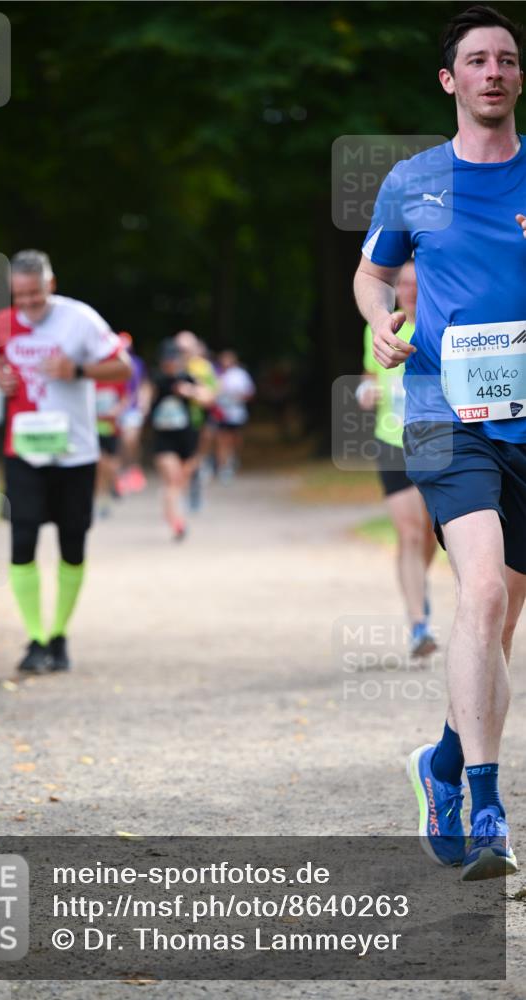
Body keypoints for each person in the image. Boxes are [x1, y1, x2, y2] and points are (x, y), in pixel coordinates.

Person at [354, 4, 525, 880]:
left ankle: (443, 763)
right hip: (437, 412)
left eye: (505, 59)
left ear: (517, 78)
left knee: (493, 628)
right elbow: (372, 269)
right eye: (475, 61)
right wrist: (380, 320)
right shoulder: (412, 181)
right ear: (449, 81)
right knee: (483, 592)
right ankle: (489, 807)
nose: (492, 72)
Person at [0, 249, 131, 673]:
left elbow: (122, 369)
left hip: (76, 452)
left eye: (35, 294)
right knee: (22, 539)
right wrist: (0, 379)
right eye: (21, 297)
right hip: (24, 450)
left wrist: (80, 371)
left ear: (51, 285)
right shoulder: (1, 324)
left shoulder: (80, 319)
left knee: (72, 543)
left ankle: (59, 635)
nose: (28, 305)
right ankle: (34, 639)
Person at [356, 262, 438, 657]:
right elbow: (369, 379)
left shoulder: (439, 326)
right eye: (403, 283)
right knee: (408, 533)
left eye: (416, 283)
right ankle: (418, 623)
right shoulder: (382, 327)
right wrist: (364, 395)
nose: (410, 289)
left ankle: (417, 584)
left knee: (426, 533)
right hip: (391, 441)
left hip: (433, 441)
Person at [149, 338, 214, 541]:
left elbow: (208, 398)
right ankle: (176, 523)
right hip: (163, 439)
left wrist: (190, 391)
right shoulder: (156, 381)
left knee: (180, 482)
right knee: (173, 479)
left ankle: (174, 512)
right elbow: (143, 401)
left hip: (186, 438)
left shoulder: (187, 378)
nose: (171, 364)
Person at [174, 330, 218, 510]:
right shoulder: (171, 366)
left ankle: (193, 493)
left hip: (196, 419)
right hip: (173, 423)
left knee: (193, 459)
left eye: (186, 348)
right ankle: (178, 495)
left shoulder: (202, 367)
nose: (183, 351)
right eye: (180, 348)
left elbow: (211, 395)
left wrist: (191, 391)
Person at [95, 334, 131, 517]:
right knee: (100, 465)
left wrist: (117, 410)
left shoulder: (117, 379)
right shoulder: (91, 377)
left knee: (110, 465)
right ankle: (101, 500)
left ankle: (111, 489)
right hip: (95, 427)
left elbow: (125, 399)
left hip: (112, 427)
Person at [213, 349, 256, 484]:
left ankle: (233, 457)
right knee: (222, 439)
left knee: (235, 438)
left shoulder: (240, 375)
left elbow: (249, 393)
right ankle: (223, 467)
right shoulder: (217, 374)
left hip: (236, 413)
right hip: (221, 412)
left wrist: (238, 397)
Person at [116, 334, 150, 497]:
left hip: (133, 408)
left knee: (131, 440)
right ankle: (123, 473)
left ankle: (134, 468)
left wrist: (144, 404)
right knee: (121, 443)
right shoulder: (110, 364)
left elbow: (144, 385)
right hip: (116, 409)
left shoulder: (138, 363)